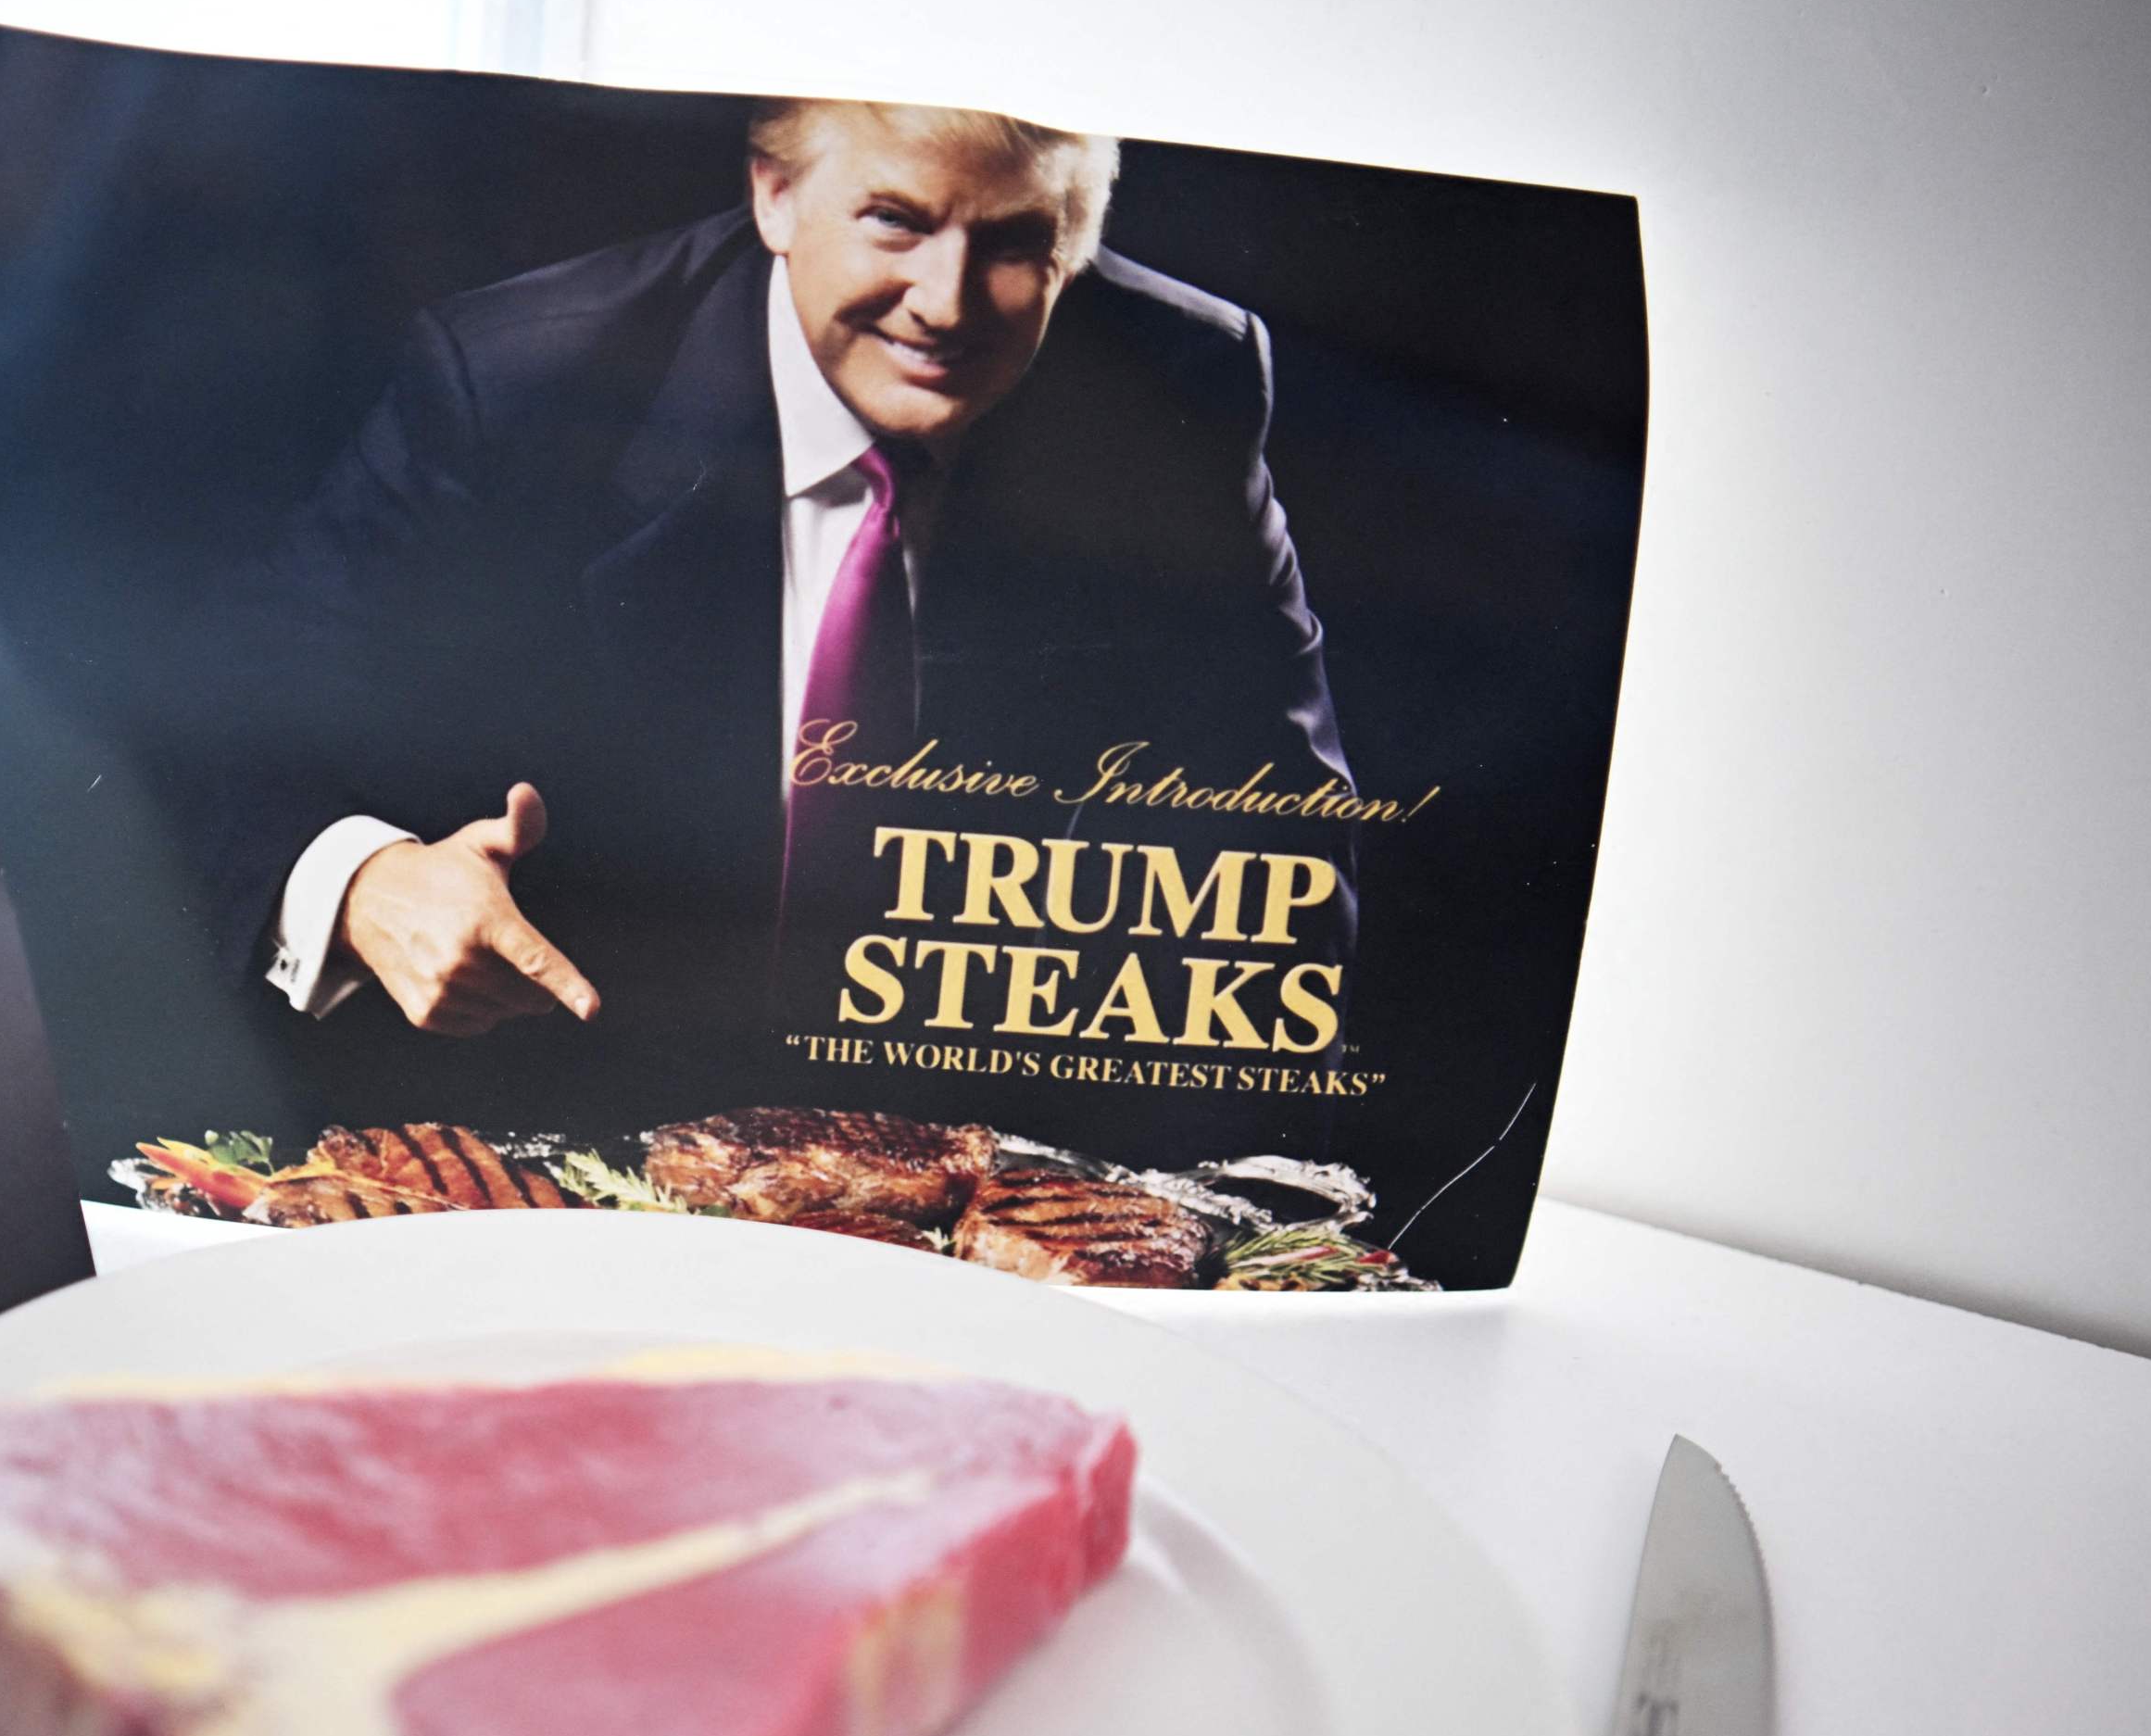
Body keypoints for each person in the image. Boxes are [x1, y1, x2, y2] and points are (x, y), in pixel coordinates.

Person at [170, 98, 1351, 1138]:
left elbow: (1293, 845)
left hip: (990, 1151)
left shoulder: (1182, 381)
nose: (943, 304)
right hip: (566, 1114)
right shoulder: (521, 380)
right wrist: (370, 877)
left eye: (1012, 244)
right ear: (774, 194)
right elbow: (229, 720)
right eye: (895, 220)